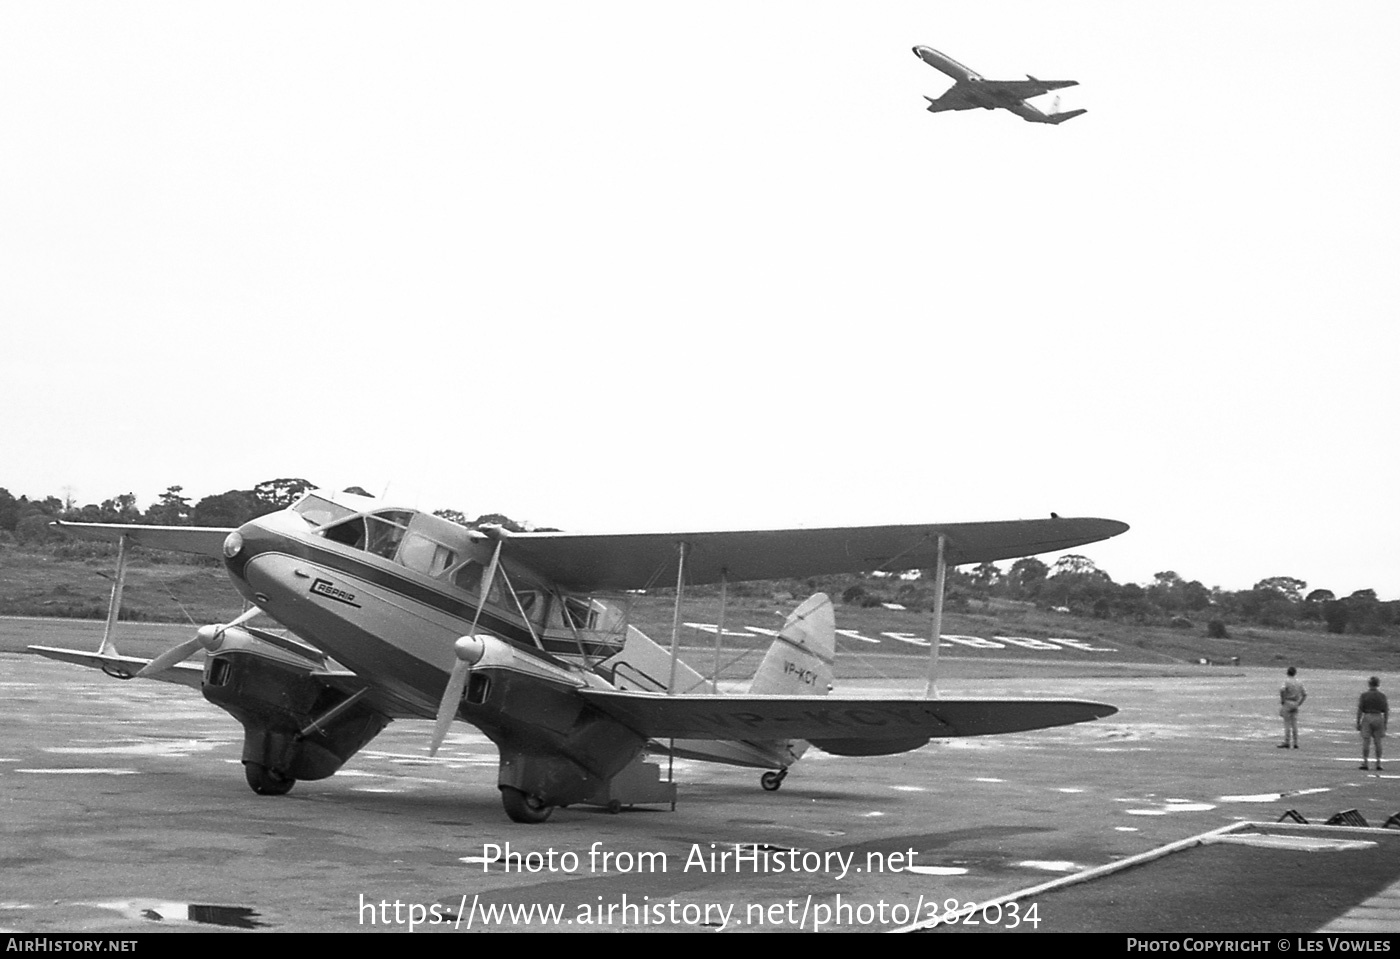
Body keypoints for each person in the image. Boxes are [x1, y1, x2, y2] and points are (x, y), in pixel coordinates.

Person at [1356, 676, 1389, 771]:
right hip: (1378, 716)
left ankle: (1365, 762)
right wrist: (1385, 723)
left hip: (1368, 716)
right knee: (1378, 741)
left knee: (1366, 741)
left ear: (1369, 684)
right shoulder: (1382, 696)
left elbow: (1360, 709)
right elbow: (1386, 710)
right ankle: (1378, 762)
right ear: (1378, 684)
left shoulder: (1364, 695)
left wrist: (1358, 722)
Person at [1278, 666, 1306, 748]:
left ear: (1287, 672)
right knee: (1294, 723)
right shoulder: (1299, 682)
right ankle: (1295, 742)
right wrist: (1299, 703)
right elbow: (1304, 694)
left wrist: (1282, 699)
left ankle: (1287, 741)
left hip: (1288, 701)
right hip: (1295, 703)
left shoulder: (1286, 681)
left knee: (1287, 723)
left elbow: (1282, 690)